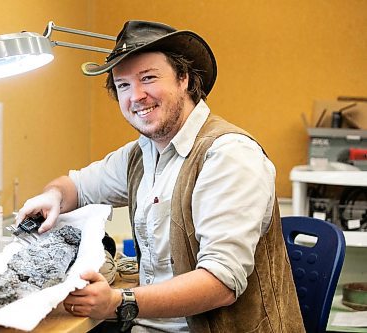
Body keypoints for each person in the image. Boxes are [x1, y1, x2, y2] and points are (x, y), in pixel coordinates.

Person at [16, 20, 304, 332]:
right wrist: (52, 197)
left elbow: (221, 282)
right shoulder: (141, 155)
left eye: (148, 78)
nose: (136, 96)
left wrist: (119, 301)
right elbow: (74, 186)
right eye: (123, 85)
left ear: (184, 78)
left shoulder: (228, 155)